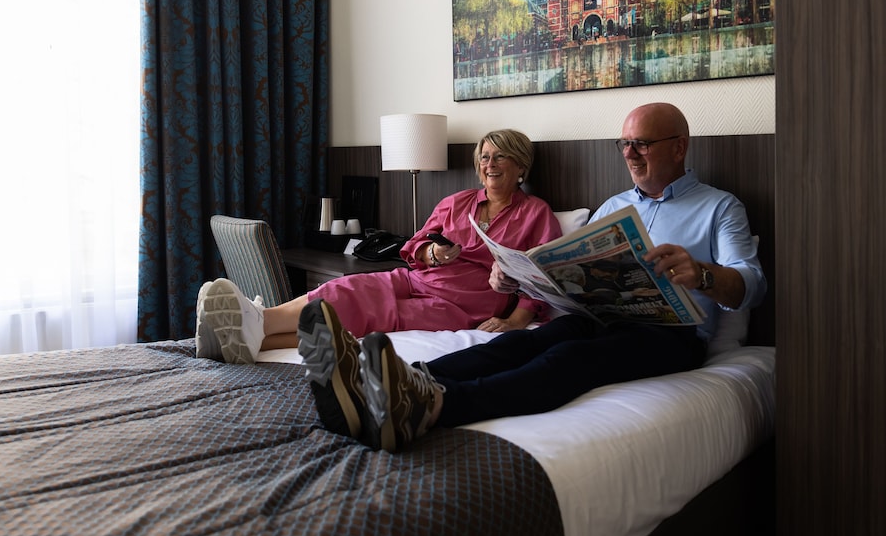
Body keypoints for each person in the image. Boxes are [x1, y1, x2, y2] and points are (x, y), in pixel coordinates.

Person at [297, 102, 767, 452]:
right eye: (623, 143)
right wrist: (518, 281)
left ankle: (434, 406)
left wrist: (703, 274)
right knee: (518, 345)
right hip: (600, 316)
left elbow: (752, 285)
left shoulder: (719, 207)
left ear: (679, 146)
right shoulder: (614, 206)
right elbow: (569, 280)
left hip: (672, 333)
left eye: (641, 143)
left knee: (570, 359)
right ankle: (385, 383)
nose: (629, 153)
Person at [195, 129, 562, 365]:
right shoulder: (457, 202)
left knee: (371, 316)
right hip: (417, 279)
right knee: (346, 287)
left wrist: (515, 321)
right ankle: (256, 325)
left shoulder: (536, 214)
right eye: (484, 156)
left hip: (462, 305)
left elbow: (546, 277)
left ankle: (252, 328)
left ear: (521, 166)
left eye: (499, 156)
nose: (489, 164)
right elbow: (414, 245)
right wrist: (431, 254)